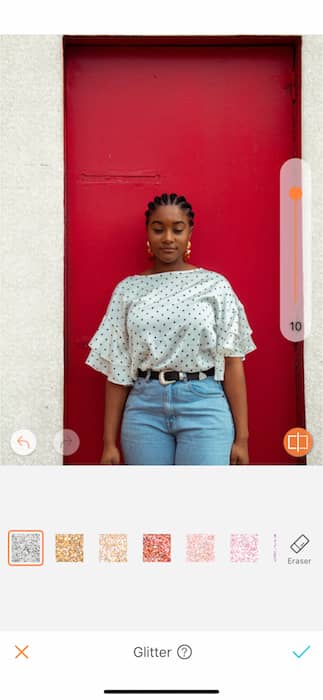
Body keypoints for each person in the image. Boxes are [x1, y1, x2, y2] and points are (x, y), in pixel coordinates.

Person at [85, 193, 256, 466]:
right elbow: (117, 369)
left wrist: (242, 439)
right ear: (148, 232)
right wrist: (108, 442)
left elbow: (233, 363)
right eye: (158, 228)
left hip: (204, 405)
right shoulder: (127, 290)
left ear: (189, 232)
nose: (167, 238)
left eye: (177, 229)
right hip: (144, 410)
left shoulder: (215, 286)